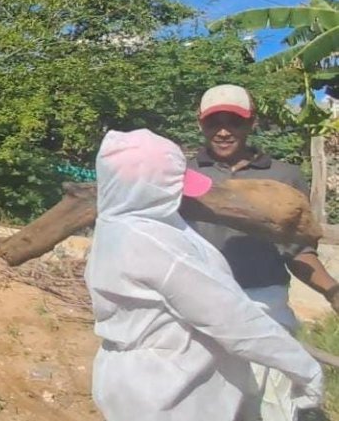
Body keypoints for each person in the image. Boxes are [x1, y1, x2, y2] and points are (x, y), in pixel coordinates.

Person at [86, 128, 322, 421]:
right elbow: (230, 319)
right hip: (174, 391)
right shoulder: (157, 246)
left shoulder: (116, 228)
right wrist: (304, 369)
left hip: (132, 382)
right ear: (150, 188)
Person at [186, 83, 339, 419]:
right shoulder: (185, 177)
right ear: (201, 124)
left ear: (251, 123)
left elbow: (298, 252)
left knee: (272, 405)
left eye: (234, 121)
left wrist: (332, 289)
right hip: (199, 309)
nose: (224, 131)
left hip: (265, 307)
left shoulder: (283, 177)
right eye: (215, 122)